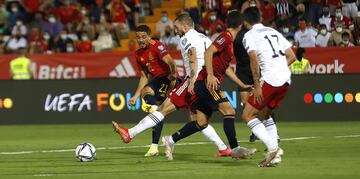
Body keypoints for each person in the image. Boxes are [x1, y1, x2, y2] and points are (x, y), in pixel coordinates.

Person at [112, 14, 235, 158]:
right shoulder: (204, 38)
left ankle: (130, 133)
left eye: (176, 28)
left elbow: (193, 58)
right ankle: (223, 147)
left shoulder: (187, 38)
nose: (175, 31)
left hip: (194, 81)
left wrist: (193, 80)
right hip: (205, 80)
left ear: (185, 26)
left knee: (164, 109)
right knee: (200, 120)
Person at [161, 10, 256, 160]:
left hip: (204, 82)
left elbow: (225, 68)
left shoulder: (229, 41)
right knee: (229, 111)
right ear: (240, 25)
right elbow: (208, 54)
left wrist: (242, 85)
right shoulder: (226, 37)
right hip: (205, 82)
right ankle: (235, 149)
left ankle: (170, 140)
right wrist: (210, 75)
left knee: (201, 123)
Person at [241, 7, 296, 167]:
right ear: (260, 18)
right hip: (285, 79)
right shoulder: (274, 31)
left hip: (271, 79)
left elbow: (253, 59)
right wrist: (279, 67)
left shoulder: (249, 35)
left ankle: (273, 149)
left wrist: (257, 84)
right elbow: (291, 56)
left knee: (247, 115)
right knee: (265, 114)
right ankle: (276, 156)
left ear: (245, 22)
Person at [233, 19, 279, 144]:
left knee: (261, 102)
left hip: (255, 68)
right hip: (242, 70)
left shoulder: (254, 34)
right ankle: (257, 131)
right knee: (245, 102)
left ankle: (272, 133)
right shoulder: (236, 36)